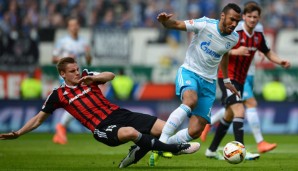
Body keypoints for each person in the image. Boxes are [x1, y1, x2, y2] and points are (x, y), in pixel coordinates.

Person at [0, 57, 200, 168]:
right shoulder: (58, 95)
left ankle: (140, 149)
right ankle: (175, 149)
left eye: (77, 69)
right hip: (101, 127)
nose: (77, 73)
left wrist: (94, 79)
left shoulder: (88, 77)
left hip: (119, 113)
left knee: (164, 128)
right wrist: (18, 133)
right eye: (72, 71)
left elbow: (110, 75)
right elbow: (38, 119)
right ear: (62, 74)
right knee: (130, 132)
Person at [148, 3, 242, 166]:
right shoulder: (205, 24)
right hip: (190, 72)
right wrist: (165, 22)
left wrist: (226, 80)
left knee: (196, 130)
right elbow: (176, 24)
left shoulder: (234, 38)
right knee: (190, 101)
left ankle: (166, 144)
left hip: (209, 83)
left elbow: (224, 55)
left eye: (237, 21)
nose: (234, 24)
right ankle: (161, 144)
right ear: (222, 16)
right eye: (232, 19)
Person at [204, 2, 291, 160]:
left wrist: (280, 61)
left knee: (229, 116)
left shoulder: (257, 37)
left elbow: (267, 51)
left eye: (255, 17)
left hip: (241, 80)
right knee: (240, 111)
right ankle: (240, 151)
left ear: (259, 19)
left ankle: (211, 150)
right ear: (243, 17)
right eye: (249, 16)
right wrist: (236, 51)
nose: (252, 19)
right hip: (227, 78)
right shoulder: (234, 33)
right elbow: (219, 49)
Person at [52, 17, 92, 145]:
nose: (74, 27)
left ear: (78, 27)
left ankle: (60, 128)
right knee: (77, 103)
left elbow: (89, 61)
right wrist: (66, 58)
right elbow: (54, 59)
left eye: (76, 25)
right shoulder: (63, 42)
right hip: (66, 77)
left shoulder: (83, 42)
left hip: (77, 77)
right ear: (68, 28)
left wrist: (87, 54)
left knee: (75, 104)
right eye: (71, 25)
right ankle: (61, 127)